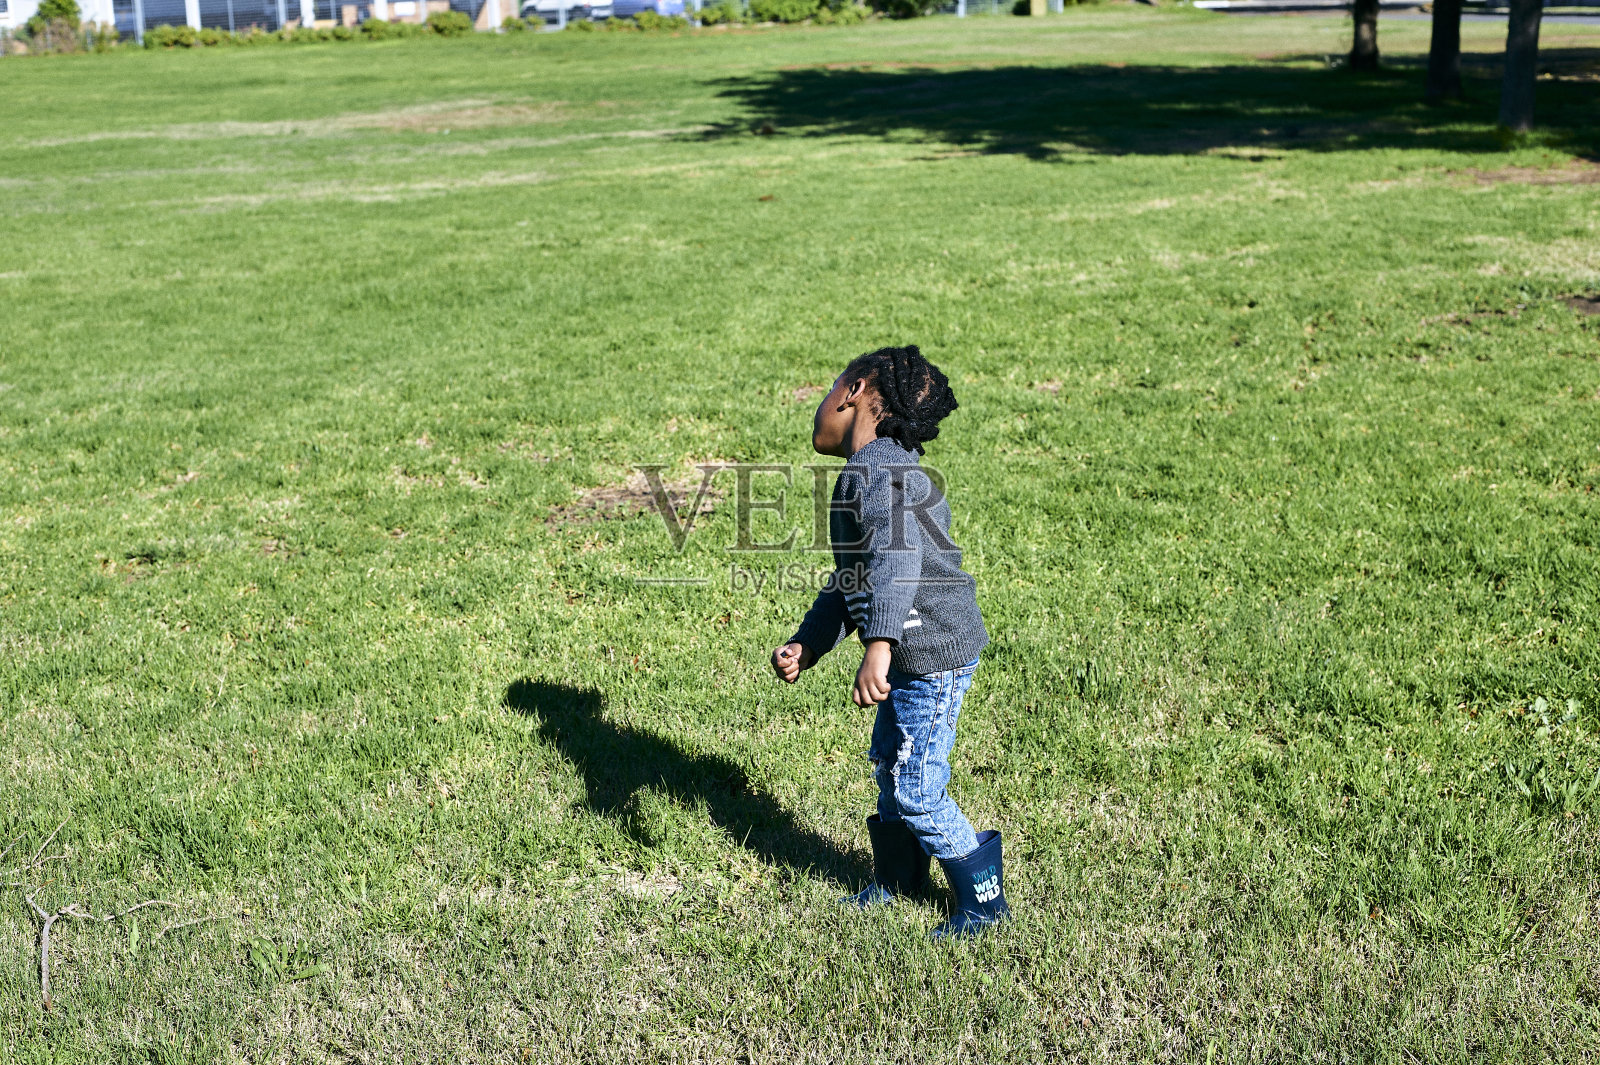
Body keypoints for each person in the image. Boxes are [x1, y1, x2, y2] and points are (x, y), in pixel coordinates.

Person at [770, 345, 1009, 939]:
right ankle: (901, 878)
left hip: (929, 653)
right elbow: (857, 577)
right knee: (892, 765)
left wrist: (879, 643)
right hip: (914, 650)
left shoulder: (877, 470)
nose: (821, 402)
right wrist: (812, 641)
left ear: (853, 392)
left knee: (918, 787)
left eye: (828, 387)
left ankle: (984, 899)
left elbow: (897, 559)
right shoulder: (883, 466)